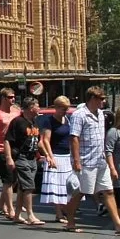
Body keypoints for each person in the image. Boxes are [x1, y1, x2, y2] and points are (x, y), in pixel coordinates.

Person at [70, 86, 120, 233]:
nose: (103, 101)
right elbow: (74, 138)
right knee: (81, 192)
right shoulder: (79, 115)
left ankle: (119, 223)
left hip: (100, 159)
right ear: (93, 98)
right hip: (86, 161)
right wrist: (77, 160)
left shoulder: (101, 114)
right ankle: (70, 221)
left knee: (108, 191)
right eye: (101, 99)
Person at [5, 94, 46, 226]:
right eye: (37, 105)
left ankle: (17, 215)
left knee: (23, 188)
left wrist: (46, 155)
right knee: (29, 187)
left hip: (32, 158)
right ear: (30, 107)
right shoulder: (18, 122)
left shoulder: (34, 122)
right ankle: (30, 215)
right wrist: (9, 158)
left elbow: (38, 142)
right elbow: (7, 140)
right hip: (21, 157)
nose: (39, 108)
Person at [39, 97, 76, 229]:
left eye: (67, 109)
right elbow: (45, 141)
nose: (65, 111)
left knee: (68, 185)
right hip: (56, 155)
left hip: (67, 156)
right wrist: (50, 156)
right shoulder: (49, 121)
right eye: (63, 109)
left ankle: (66, 209)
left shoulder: (67, 120)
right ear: (57, 107)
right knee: (57, 185)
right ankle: (59, 213)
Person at [0, 88, 22, 221]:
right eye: (10, 97)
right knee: (8, 180)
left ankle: (1, 204)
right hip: (1, 149)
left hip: (16, 149)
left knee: (15, 179)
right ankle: (10, 209)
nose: (13, 99)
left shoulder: (17, 112)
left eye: (14, 97)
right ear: (3, 98)